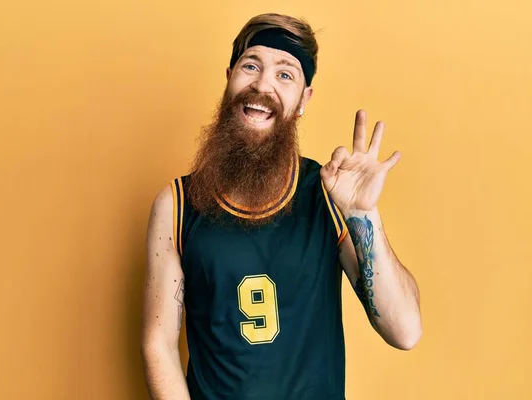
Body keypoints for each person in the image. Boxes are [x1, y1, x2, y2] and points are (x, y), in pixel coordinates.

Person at [141, 13, 422, 400]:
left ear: (304, 99)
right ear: (229, 78)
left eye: (285, 74)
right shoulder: (176, 205)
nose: (262, 85)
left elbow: (405, 330)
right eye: (251, 65)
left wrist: (363, 214)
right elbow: (159, 345)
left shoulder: (329, 194)